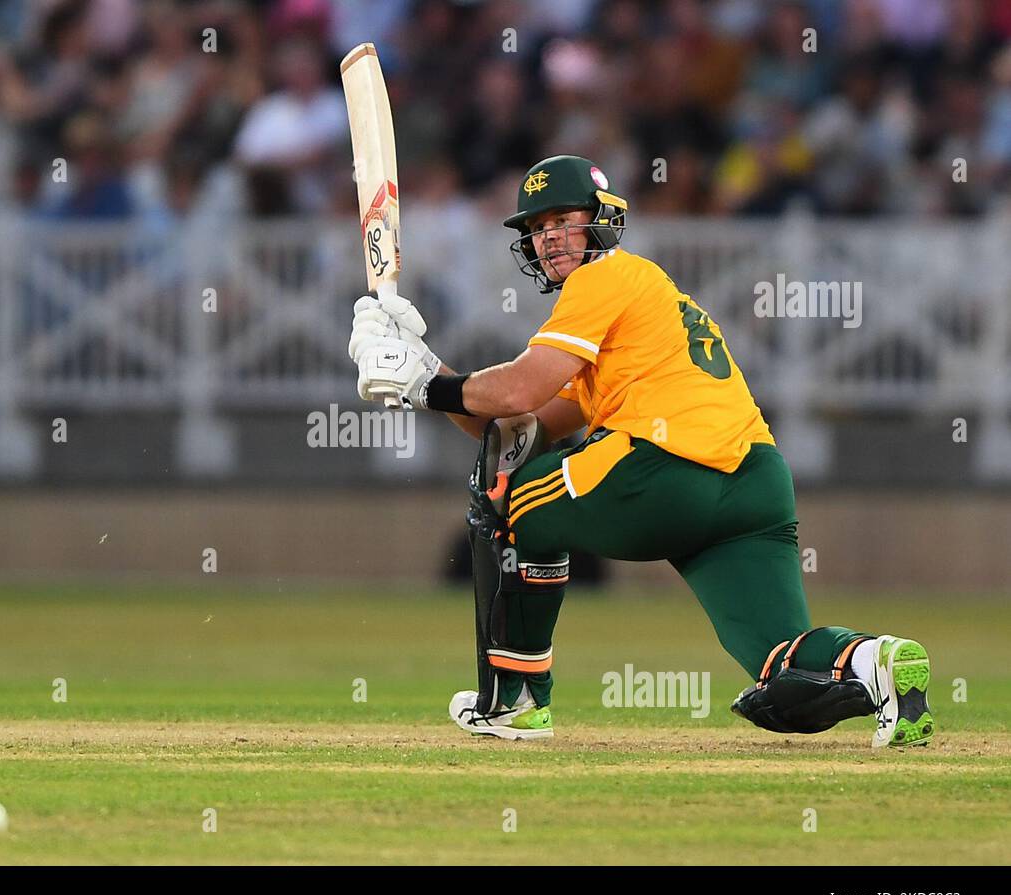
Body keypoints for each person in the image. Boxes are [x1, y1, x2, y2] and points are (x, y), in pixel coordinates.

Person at [347, 154, 933, 748]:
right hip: (754, 486)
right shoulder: (642, 310)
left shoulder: (604, 278)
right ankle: (877, 661)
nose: (549, 238)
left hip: (663, 464)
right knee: (783, 665)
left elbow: (521, 389)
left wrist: (424, 386)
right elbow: (519, 427)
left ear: (602, 222)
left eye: (564, 220)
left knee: (508, 494)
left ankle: (515, 700)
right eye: (538, 227)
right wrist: (423, 366)